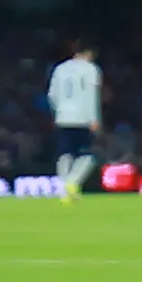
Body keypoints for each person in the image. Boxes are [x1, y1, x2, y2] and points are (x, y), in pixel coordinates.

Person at [48, 41, 104, 190]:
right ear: (90, 53)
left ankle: (63, 187)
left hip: (63, 117)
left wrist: (57, 112)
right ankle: (72, 182)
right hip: (83, 117)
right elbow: (92, 95)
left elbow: (52, 95)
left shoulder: (60, 68)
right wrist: (94, 118)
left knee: (65, 153)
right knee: (88, 155)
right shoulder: (91, 69)